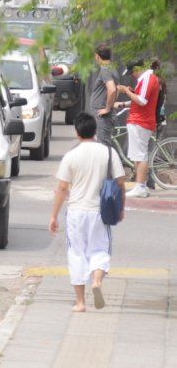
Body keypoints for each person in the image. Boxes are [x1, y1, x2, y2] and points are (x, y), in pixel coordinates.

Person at [49, 112, 125, 312]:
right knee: (100, 250)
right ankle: (97, 281)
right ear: (95, 131)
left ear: (77, 132)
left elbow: (63, 188)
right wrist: (121, 209)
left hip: (76, 212)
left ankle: (80, 303)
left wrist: (53, 216)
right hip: (100, 212)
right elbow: (120, 183)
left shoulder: (71, 156)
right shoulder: (108, 153)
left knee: (77, 254)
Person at [114, 60, 161, 198]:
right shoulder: (147, 79)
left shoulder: (147, 78)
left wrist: (127, 91)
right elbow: (139, 101)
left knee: (139, 155)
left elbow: (141, 100)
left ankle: (140, 186)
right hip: (140, 120)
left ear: (137, 69)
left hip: (140, 121)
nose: (132, 76)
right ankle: (142, 185)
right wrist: (123, 104)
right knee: (138, 154)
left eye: (132, 72)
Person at [90, 43, 120, 145]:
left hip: (103, 116)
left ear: (98, 56)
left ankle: (106, 162)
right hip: (105, 114)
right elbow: (116, 89)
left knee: (103, 146)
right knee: (104, 144)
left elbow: (112, 90)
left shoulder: (105, 70)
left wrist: (107, 108)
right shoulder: (112, 68)